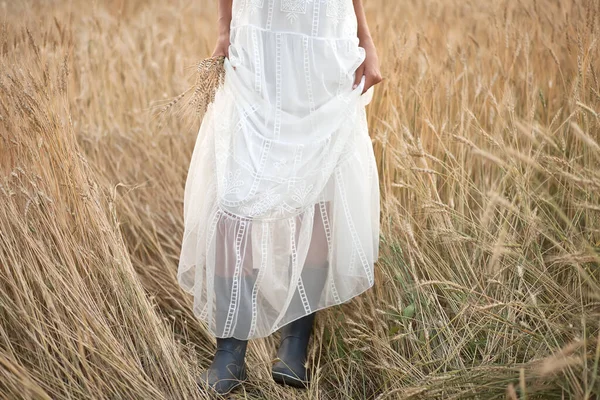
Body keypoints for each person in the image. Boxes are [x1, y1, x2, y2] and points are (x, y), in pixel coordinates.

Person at [177, 0, 382, 395]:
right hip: (257, 44)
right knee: (235, 192)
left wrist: (366, 38)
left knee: (316, 190)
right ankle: (230, 352)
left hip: (325, 42)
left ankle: (294, 348)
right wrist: (223, 29)